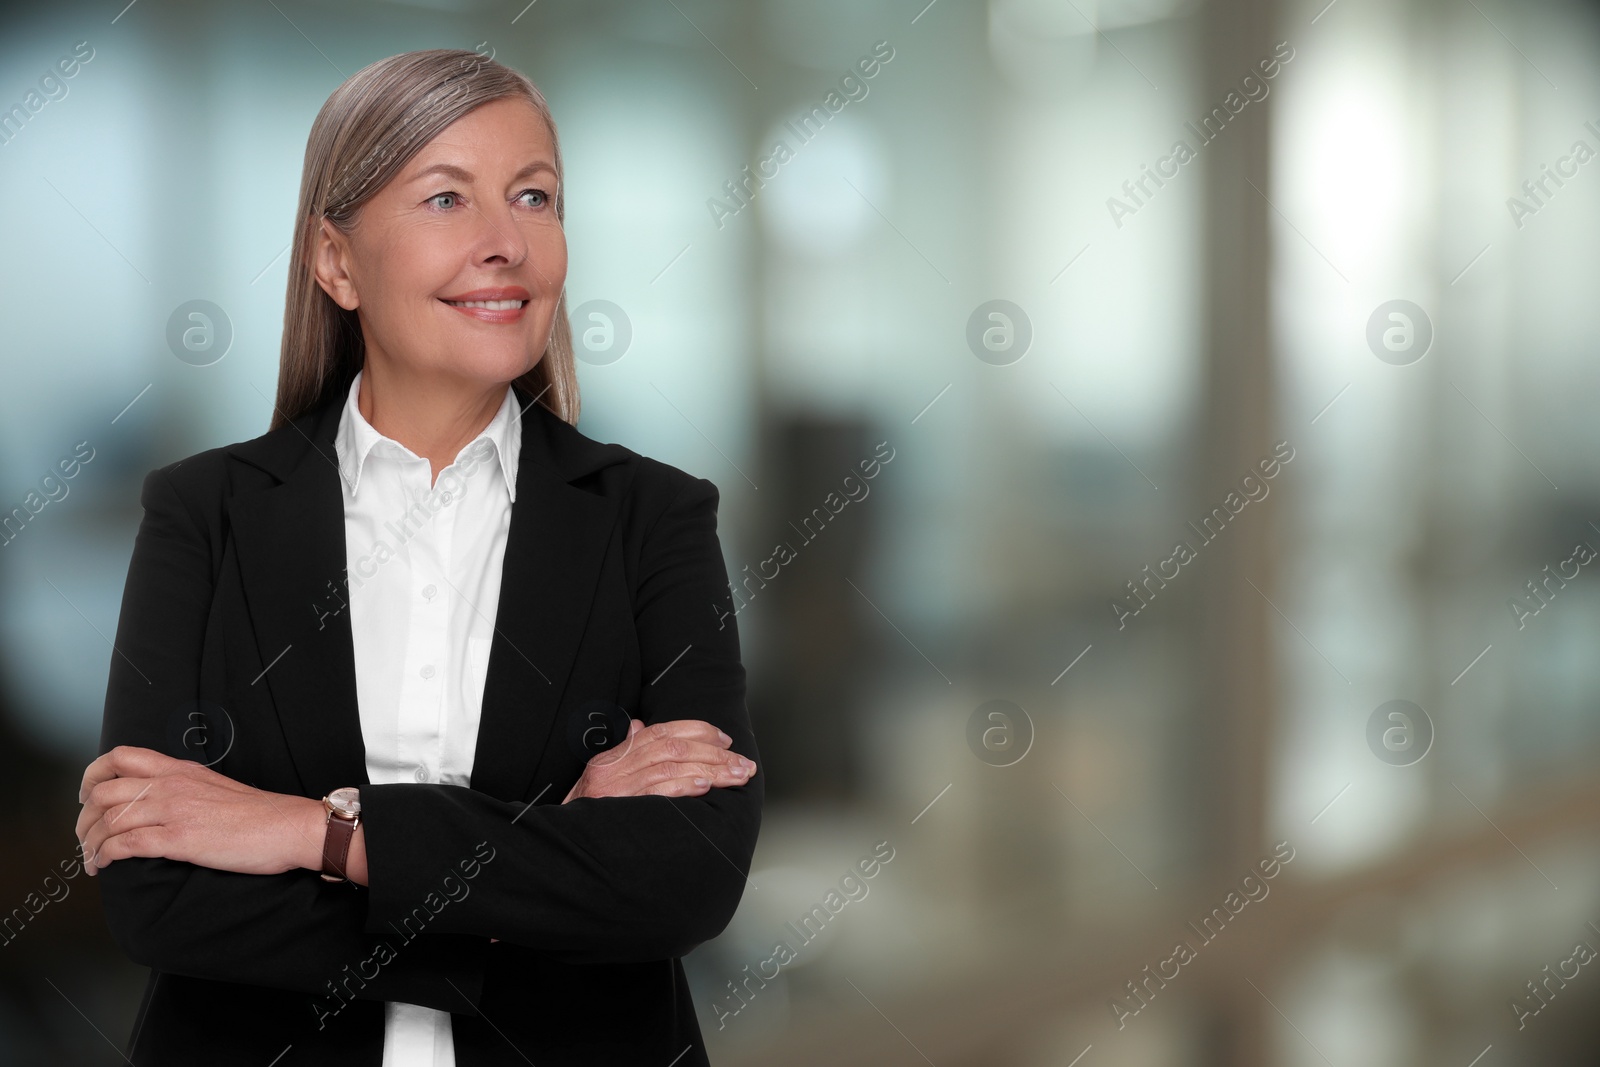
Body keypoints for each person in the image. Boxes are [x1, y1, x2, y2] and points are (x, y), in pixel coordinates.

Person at [73, 48, 761, 1067]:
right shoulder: (204, 513)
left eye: (534, 195)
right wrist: (540, 861)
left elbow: (687, 873)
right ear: (335, 260)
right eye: (446, 197)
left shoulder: (651, 516)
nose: (505, 242)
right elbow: (156, 896)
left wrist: (318, 834)